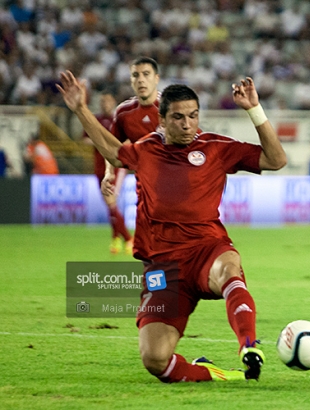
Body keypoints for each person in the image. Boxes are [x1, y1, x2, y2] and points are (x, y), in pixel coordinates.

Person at [57, 71, 287, 383]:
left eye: (193, 116)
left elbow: (276, 159)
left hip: (207, 250)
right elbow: (113, 152)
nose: (187, 124)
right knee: (155, 360)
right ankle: (223, 375)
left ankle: (248, 346)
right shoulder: (147, 149)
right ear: (162, 120)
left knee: (229, 271)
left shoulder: (215, 147)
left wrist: (254, 110)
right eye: (178, 117)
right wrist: (80, 109)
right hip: (164, 268)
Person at [102, 56, 162, 257]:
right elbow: (112, 147)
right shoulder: (124, 112)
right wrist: (109, 172)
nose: (141, 80)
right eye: (136, 75)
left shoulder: (171, 108)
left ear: (156, 78)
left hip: (174, 187)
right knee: (145, 249)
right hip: (144, 190)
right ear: (131, 80)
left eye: (146, 74)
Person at [83, 92, 133, 254]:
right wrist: (99, 141)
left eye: (108, 101)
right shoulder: (95, 120)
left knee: (111, 203)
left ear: (113, 103)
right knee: (110, 205)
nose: (105, 104)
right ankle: (116, 238)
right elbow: (85, 138)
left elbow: (128, 140)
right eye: (103, 101)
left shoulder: (119, 120)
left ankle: (128, 239)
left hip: (116, 167)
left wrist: (110, 144)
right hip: (99, 167)